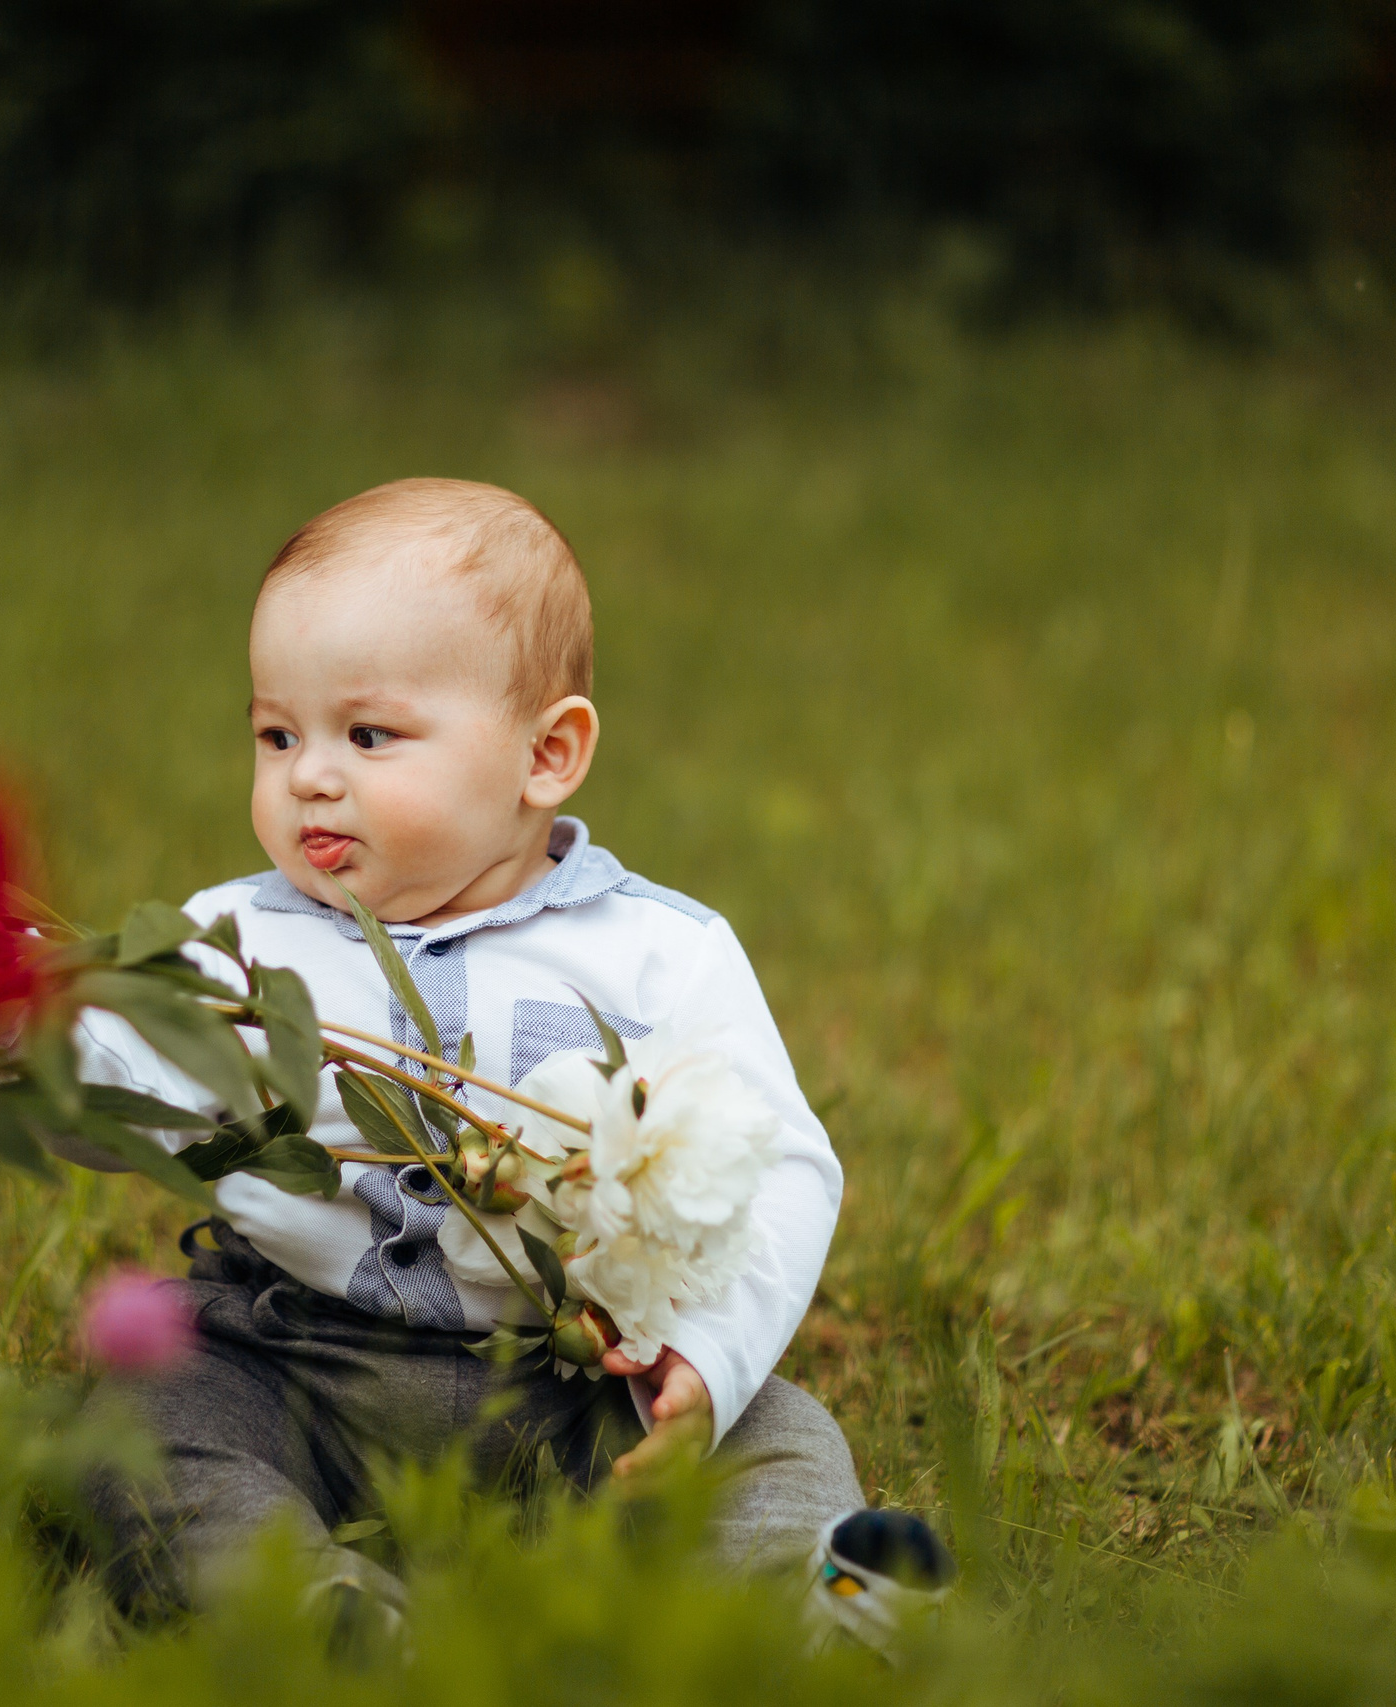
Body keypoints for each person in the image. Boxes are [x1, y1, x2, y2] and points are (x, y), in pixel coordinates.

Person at [65, 477, 949, 1646]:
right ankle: (310, 1608)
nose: (308, 777)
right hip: (295, 1356)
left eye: (367, 735)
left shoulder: (658, 953)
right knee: (140, 1413)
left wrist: (709, 1358)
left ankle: (816, 1607)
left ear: (547, 754)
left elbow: (777, 1165)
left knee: (779, 1436)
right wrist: (22, 1047)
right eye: (277, 734)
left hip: (581, 1386)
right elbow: (116, 1085)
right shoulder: (234, 941)